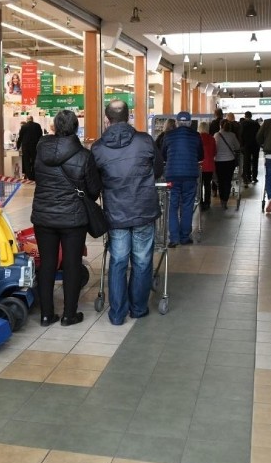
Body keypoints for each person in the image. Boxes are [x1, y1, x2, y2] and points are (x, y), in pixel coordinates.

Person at [91, 100, 163, 325]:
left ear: (107, 118)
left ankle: (117, 314)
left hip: (116, 212)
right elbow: (159, 169)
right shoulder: (145, 140)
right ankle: (138, 309)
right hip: (143, 209)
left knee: (118, 260)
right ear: (129, 116)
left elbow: (94, 181)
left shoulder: (98, 147)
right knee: (142, 261)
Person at [31, 110, 101, 327]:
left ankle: (46, 315)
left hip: (43, 217)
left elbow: (35, 177)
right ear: (76, 128)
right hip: (73, 220)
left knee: (47, 264)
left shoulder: (40, 150)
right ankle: (69, 315)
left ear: (54, 126)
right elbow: (94, 190)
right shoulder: (84, 156)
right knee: (71, 265)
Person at [161, 111, 203, 246]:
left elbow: (163, 155)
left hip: (172, 175)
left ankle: (174, 238)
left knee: (173, 206)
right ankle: (185, 237)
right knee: (187, 205)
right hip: (190, 174)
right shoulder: (196, 136)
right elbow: (201, 156)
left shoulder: (169, 136)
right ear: (190, 123)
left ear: (177, 123)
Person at [214, 120, 241, 209]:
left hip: (218, 161)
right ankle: (225, 200)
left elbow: (214, 148)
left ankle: (222, 200)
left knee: (221, 181)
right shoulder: (232, 135)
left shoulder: (216, 135)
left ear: (220, 126)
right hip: (230, 161)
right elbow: (237, 147)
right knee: (228, 181)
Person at [16, 115, 44, 180]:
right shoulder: (37, 126)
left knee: (26, 161)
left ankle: (29, 176)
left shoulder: (24, 126)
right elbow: (41, 136)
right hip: (35, 146)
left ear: (27, 120)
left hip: (26, 147)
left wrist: (18, 146)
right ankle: (34, 175)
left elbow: (20, 137)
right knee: (35, 160)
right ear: (32, 119)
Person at [198, 121, 217, 211]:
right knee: (207, 185)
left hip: (199, 166)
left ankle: (200, 202)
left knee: (200, 185)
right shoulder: (212, 138)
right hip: (209, 165)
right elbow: (214, 152)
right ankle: (207, 202)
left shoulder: (197, 138)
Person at [239, 111, 261, 185]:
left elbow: (241, 135)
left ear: (245, 116)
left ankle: (247, 177)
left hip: (246, 146)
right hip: (255, 145)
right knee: (255, 161)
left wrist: (241, 145)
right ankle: (254, 177)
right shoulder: (256, 124)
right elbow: (259, 134)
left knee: (246, 162)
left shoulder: (243, 124)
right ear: (251, 116)